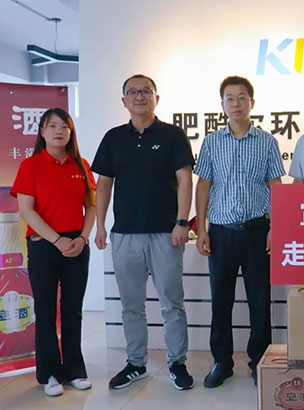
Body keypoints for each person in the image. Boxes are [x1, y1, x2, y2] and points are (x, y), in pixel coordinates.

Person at [92, 74, 195, 390]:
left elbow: (185, 179)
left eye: (146, 91)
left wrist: (181, 222)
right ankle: (136, 363)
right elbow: (104, 185)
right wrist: (100, 225)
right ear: (124, 100)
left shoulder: (173, 135)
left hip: (165, 233)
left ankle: (177, 363)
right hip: (124, 234)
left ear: (156, 98)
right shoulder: (113, 138)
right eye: (133, 92)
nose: (139, 96)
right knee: (131, 305)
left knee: (171, 303)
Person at [194, 76, 285, 388]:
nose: (236, 103)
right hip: (221, 232)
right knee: (221, 300)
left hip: (257, 230)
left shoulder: (267, 142)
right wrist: (202, 229)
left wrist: (277, 226)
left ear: (252, 103)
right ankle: (222, 362)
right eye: (230, 98)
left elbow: (275, 185)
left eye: (242, 97)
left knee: (260, 300)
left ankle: (259, 361)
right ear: (222, 105)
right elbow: (203, 184)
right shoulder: (212, 142)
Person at [11, 108, 96, 397]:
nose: (59, 131)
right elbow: (26, 210)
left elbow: (91, 206)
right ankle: (49, 373)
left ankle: (74, 370)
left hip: (77, 244)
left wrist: (83, 238)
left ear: (71, 132)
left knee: (73, 309)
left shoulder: (81, 165)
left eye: (65, 127)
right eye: (53, 126)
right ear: (42, 132)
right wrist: (57, 240)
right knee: (46, 310)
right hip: (44, 244)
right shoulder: (31, 165)